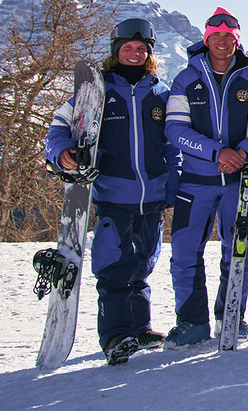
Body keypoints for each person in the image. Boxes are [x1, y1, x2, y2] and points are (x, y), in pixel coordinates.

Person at [44, 18, 181, 364]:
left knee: (144, 264)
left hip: (152, 195)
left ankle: (139, 327)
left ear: (149, 53)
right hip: (112, 194)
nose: (134, 54)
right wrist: (62, 152)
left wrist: (172, 186)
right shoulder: (96, 91)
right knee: (114, 265)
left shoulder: (160, 93)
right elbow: (59, 127)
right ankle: (115, 335)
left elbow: (171, 146)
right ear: (115, 51)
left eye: (141, 49)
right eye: (127, 48)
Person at [163, 7, 248, 348]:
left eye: (228, 36)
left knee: (238, 250)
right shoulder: (186, 79)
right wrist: (217, 152)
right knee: (186, 254)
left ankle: (230, 314)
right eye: (215, 35)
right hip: (195, 181)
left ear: (237, 41)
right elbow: (174, 129)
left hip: (239, 181)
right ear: (206, 39)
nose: (221, 41)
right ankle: (192, 322)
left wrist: (243, 151)